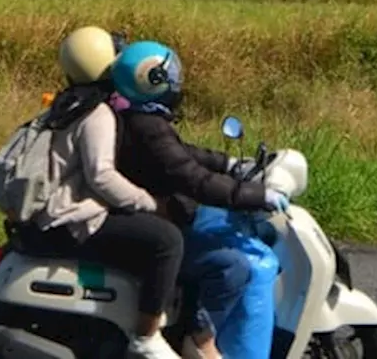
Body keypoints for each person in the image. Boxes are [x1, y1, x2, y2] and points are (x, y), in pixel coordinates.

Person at [14, 26, 187, 359]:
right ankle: (146, 336)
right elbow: (102, 176)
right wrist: (148, 202)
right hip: (69, 218)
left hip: (51, 213)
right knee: (168, 240)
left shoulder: (66, 104)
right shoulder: (97, 113)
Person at [109, 39, 289, 359]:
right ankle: (197, 340)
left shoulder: (134, 116)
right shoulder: (146, 127)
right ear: (154, 81)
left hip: (163, 212)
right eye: (172, 76)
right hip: (163, 219)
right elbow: (194, 180)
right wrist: (256, 195)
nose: (178, 83)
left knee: (221, 228)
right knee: (231, 266)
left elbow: (182, 155)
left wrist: (228, 164)